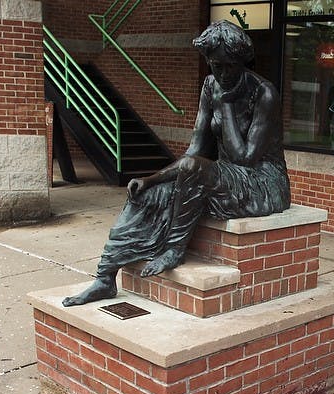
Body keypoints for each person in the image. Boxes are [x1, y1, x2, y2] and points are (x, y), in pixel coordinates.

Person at [63, 21, 290, 307]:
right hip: (225, 178)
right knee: (146, 194)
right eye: (214, 65)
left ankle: (174, 249)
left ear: (241, 61)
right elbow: (195, 150)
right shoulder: (211, 85)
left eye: (227, 65)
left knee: (192, 171)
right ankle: (105, 276)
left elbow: (244, 159)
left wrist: (227, 105)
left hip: (262, 183)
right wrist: (151, 179)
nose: (220, 72)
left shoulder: (264, 93)